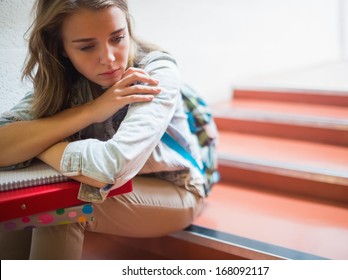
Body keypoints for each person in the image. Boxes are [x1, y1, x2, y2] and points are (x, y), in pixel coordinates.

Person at [0, 0, 205, 259]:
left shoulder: (154, 71)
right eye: (86, 46)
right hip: (105, 187)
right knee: (18, 203)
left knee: (60, 210)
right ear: (61, 48)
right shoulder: (62, 80)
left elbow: (109, 169)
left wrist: (39, 141)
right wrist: (93, 110)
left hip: (175, 190)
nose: (109, 58)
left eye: (118, 38)